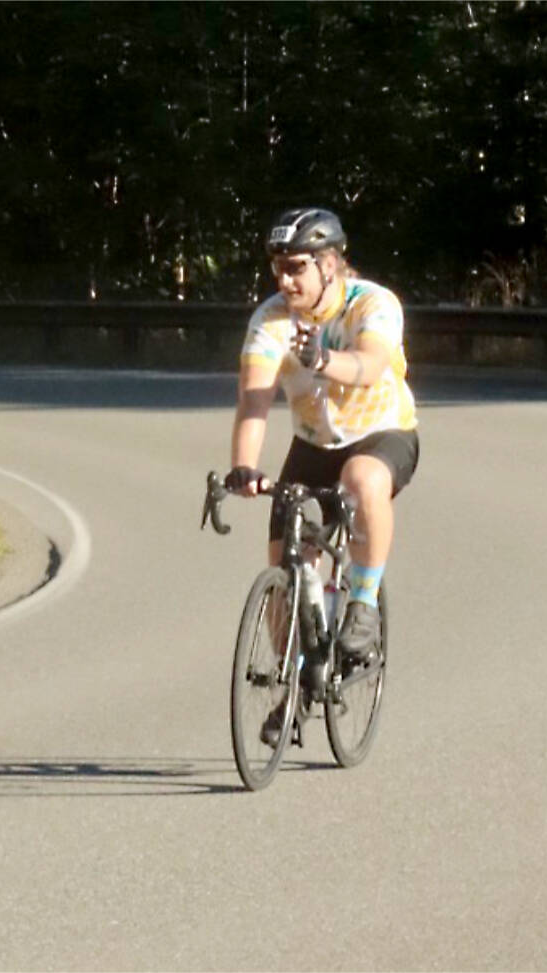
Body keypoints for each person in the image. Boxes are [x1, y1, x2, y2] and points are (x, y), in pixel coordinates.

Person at [225, 208, 420, 742]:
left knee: (361, 480)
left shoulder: (372, 304)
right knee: (285, 566)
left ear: (329, 265)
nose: (284, 281)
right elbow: (254, 403)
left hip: (381, 433)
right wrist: (245, 466)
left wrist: (324, 360)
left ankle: (361, 604)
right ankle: (296, 690)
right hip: (313, 443)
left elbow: (372, 365)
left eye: (296, 268)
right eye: (278, 270)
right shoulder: (271, 320)